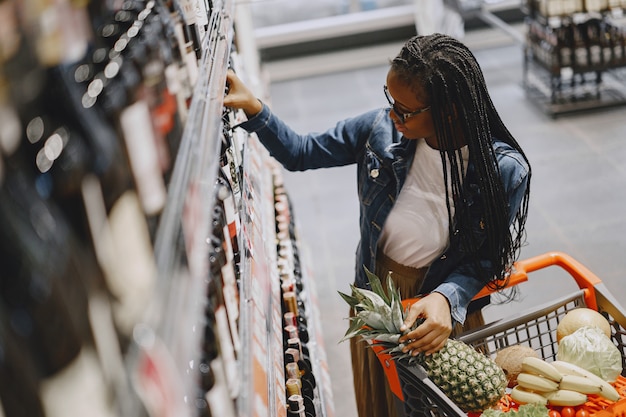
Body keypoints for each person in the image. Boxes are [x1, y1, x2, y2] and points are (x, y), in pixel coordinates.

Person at [224, 33, 531, 417]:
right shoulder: (377, 132)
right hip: (379, 307)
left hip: (438, 319)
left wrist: (446, 296)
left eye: (404, 110)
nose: (392, 117)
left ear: (449, 111)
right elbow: (302, 152)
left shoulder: (501, 171)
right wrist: (255, 108)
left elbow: (488, 261)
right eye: (390, 101)